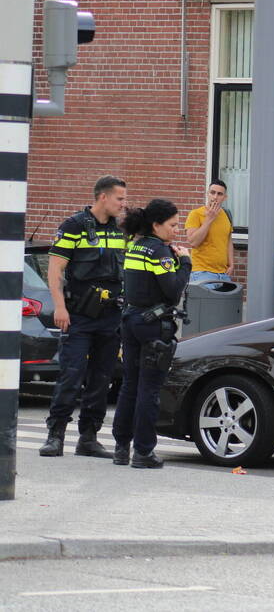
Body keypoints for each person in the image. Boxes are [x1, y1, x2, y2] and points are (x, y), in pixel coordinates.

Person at [39, 176, 128, 459]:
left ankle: (88, 438)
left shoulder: (119, 231)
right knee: (72, 376)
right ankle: (55, 435)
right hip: (78, 315)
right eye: (119, 199)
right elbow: (55, 270)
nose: (123, 204)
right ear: (103, 197)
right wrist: (59, 307)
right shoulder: (74, 226)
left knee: (102, 379)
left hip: (111, 317)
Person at [112, 199, 191, 469]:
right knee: (149, 389)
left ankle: (121, 447)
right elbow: (172, 290)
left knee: (130, 385)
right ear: (156, 225)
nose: (176, 230)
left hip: (131, 320)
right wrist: (185, 263)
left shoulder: (136, 245)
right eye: (172, 225)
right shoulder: (159, 252)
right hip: (152, 326)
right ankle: (143, 451)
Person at [185, 179, 233, 286]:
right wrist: (209, 219)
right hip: (202, 273)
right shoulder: (196, 214)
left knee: (226, 303)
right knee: (206, 303)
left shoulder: (226, 215)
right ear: (207, 194)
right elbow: (193, 242)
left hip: (223, 274)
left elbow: (228, 241)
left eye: (219, 194)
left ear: (225, 197)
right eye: (212, 193)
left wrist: (231, 264)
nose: (215, 197)